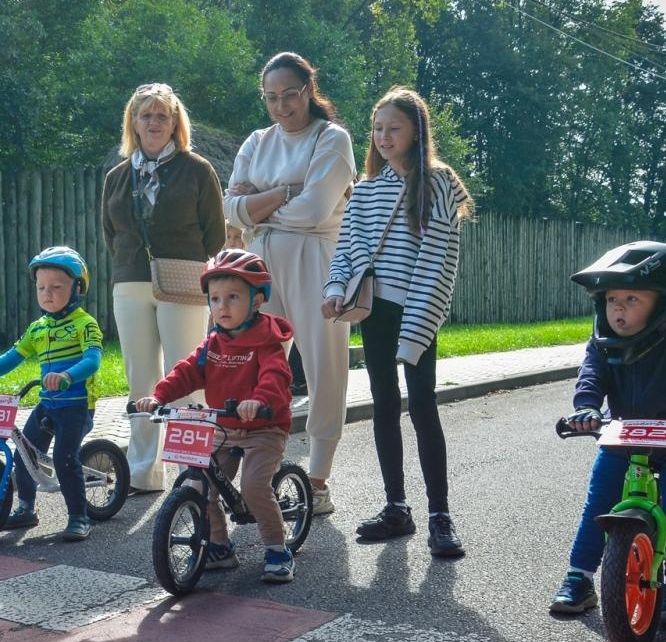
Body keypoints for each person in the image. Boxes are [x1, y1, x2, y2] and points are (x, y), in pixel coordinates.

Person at [321, 86, 471, 557]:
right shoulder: (365, 191)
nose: (384, 137)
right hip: (375, 309)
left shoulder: (440, 183)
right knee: (384, 404)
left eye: (394, 128)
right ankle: (396, 507)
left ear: (416, 131)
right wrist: (333, 291)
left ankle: (440, 516)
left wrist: (416, 329)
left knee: (423, 405)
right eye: (378, 129)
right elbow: (347, 250)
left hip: (419, 307)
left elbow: (438, 261)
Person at [549, 240, 666, 629]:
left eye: (632, 298)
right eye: (612, 298)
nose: (619, 308)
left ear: (664, 303)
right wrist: (587, 410)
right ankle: (579, 578)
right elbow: (590, 379)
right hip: (621, 441)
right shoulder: (601, 345)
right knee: (597, 506)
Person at [226, 52, 356, 517]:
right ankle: (261, 466)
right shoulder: (257, 141)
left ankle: (317, 477)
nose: (281, 106)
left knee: (324, 365)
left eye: (290, 95)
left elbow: (315, 211)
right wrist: (287, 192)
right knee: (258, 364)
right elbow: (229, 209)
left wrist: (259, 202)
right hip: (257, 263)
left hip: (318, 261)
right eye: (271, 97)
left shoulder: (332, 138)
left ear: (309, 89)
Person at [135, 250, 298, 582]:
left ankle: (278, 549)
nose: (222, 306)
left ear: (256, 301)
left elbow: (275, 377)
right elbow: (185, 373)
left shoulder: (266, 342)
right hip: (224, 426)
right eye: (215, 298)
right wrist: (158, 396)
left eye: (233, 297)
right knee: (204, 484)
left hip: (264, 427)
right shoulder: (212, 344)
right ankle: (220, 547)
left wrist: (258, 400)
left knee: (254, 487)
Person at [102, 83, 226, 494]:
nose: (154, 122)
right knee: (141, 378)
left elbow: (215, 235)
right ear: (133, 123)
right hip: (130, 282)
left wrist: (182, 261)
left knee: (186, 377)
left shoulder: (197, 169)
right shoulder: (117, 177)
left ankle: (191, 470)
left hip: (185, 280)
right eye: (146, 115)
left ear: (175, 123)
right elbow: (110, 233)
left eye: (162, 116)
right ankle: (143, 471)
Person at [0, 246, 104, 541]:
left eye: (56, 287)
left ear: (77, 288)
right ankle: (26, 507)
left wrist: (67, 375)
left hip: (75, 406)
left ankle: (79, 516)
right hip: (47, 404)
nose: (47, 293)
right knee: (24, 452)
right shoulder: (38, 328)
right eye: (41, 287)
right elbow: (14, 355)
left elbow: (92, 360)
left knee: (64, 457)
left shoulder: (84, 324)